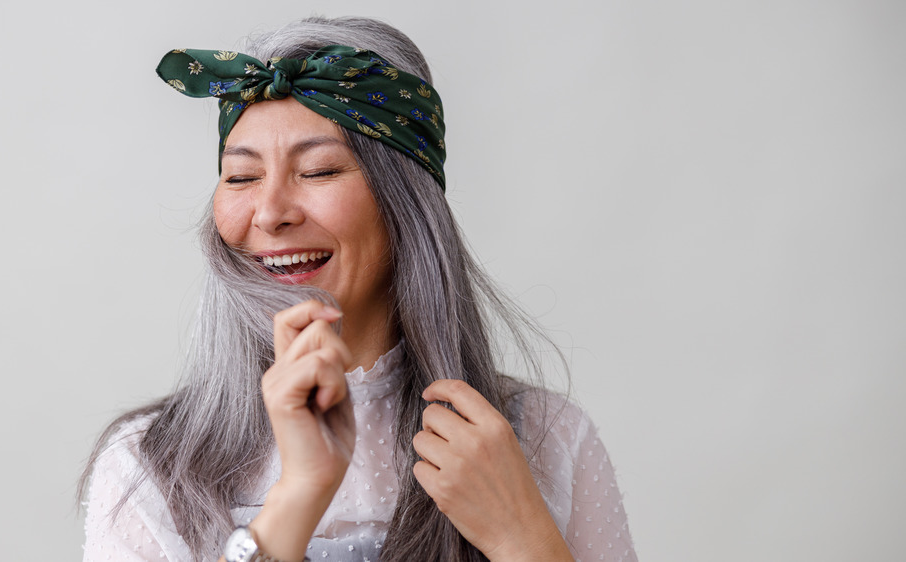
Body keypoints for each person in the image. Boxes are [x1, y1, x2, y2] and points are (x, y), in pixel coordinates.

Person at [80, 16, 637, 562]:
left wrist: (527, 541)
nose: (270, 213)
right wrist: (297, 496)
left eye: (319, 171)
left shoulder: (549, 440)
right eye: (242, 177)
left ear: (405, 206)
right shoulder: (146, 465)